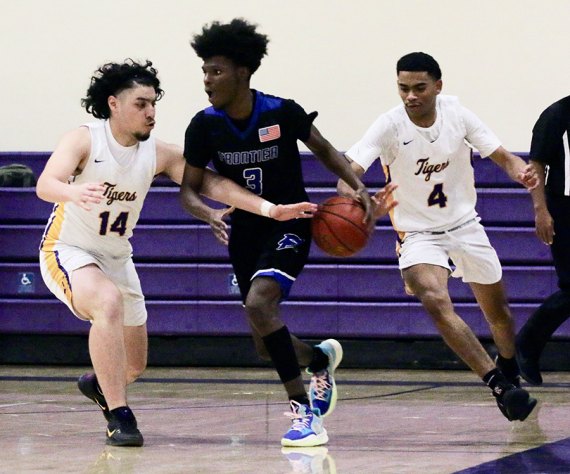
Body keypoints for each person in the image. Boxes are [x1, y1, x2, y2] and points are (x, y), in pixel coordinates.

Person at [36, 59, 319, 447]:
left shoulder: (160, 153)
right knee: (107, 302)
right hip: (68, 249)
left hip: (117, 256)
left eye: (154, 103)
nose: (151, 112)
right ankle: (120, 416)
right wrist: (72, 191)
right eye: (140, 103)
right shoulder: (85, 139)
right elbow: (45, 183)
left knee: (133, 365)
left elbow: (212, 183)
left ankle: (99, 385)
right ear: (114, 104)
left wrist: (270, 209)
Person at [180, 19, 394, 447]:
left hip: (292, 223)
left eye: (216, 71)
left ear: (243, 72)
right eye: (204, 71)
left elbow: (326, 150)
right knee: (264, 344)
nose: (207, 80)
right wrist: (207, 213)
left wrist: (358, 188)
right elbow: (189, 187)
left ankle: (305, 415)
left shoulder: (281, 111)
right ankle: (319, 359)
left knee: (260, 303)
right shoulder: (204, 126)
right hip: (245, 231)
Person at [338, 52, 539, 422]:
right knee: (433, 298)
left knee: (500, 316)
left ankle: (507, 365)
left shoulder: (457, 114)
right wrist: (359, 198)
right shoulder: (389, 125)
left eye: (419, 88)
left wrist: (521, 172)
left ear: (438, 86)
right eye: (403, 88)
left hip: (465, 225)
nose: (410, 96)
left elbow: (502, 156)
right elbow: (347, 171)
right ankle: (499, 385)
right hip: (417, 233)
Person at [516, 95, 570, 385]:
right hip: (564, 208)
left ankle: (527, 344)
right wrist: (541, 210)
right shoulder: (556, 114)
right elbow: (535, 166)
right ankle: (526, 344)